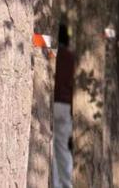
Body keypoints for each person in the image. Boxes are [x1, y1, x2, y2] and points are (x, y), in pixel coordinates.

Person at [53, 24, 74, 188]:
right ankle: (67, 183)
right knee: (62, 147)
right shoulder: (72, 58)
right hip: (66, 105)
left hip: (51, 103)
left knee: (49, 148)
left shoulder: (51, 54)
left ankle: (55, 184)